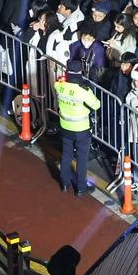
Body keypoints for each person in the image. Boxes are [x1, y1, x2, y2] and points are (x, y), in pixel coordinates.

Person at [55, 58, 101, 195]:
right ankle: (81, 188)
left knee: (66, 155)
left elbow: (61, 85)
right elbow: (96, 105)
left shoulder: (59, 85)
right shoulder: (84, 90)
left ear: (67, 70)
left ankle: (64, 184)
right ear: (81, 70)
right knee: (81, 158)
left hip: (65, 126)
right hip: (81, 129)